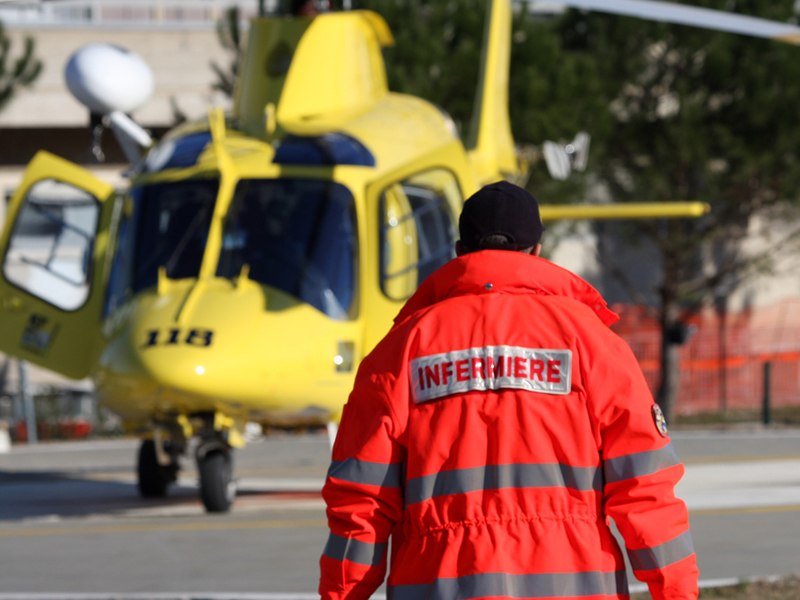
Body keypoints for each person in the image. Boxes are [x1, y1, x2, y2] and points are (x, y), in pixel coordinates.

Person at [319, 181, 699, 600]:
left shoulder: (400, 350)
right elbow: (645, 489)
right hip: (573, 584)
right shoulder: (592, 343)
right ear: (536, 251)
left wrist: (342, 593)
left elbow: (362, 501)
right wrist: (676, 592)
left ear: (460, 251)